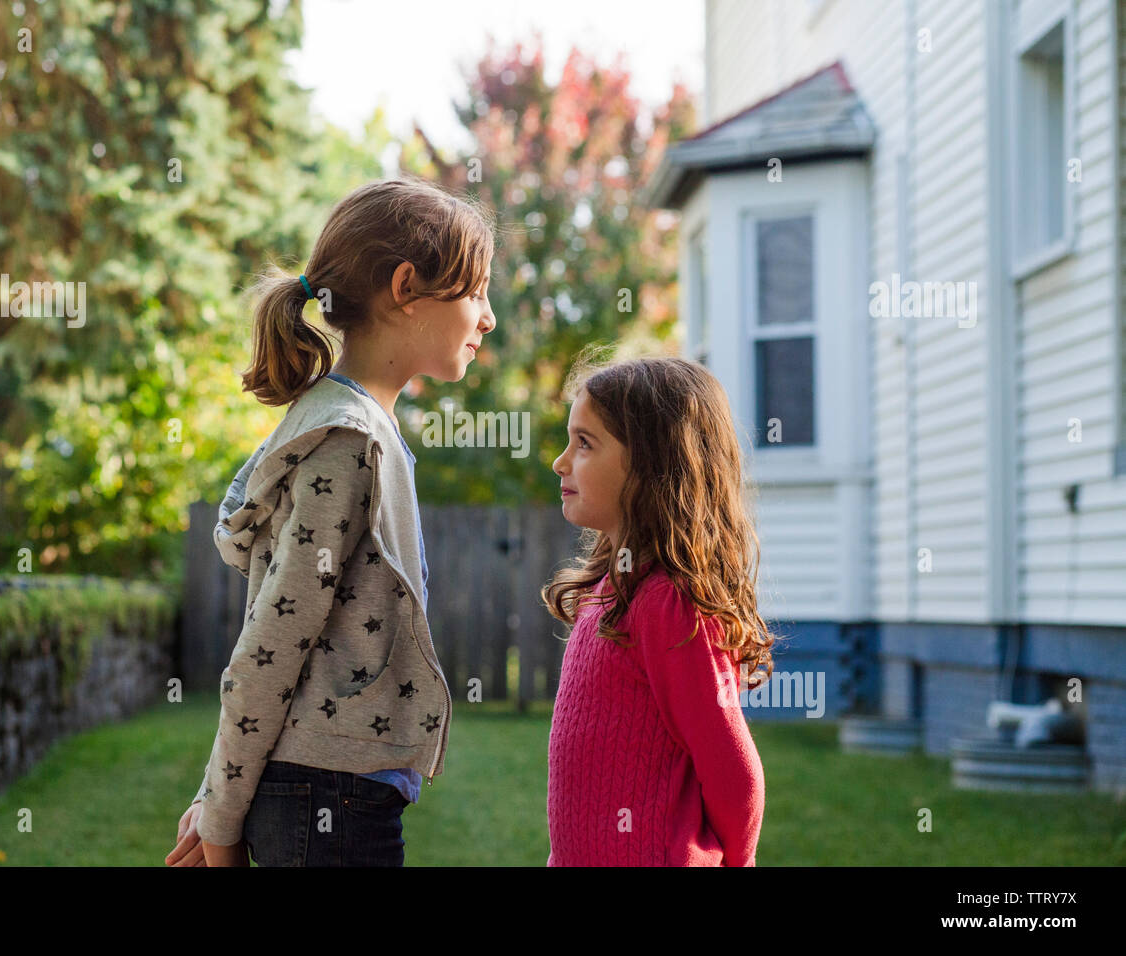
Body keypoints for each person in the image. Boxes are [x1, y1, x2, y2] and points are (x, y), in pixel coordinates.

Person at [165, 177, 496, 867]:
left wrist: (213, 794)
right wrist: (219, 821)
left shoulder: (355, 430)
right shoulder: (349, 443)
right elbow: (273, 640)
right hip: (327, 804)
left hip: (334, 795)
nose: (488, 318)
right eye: (477, 291)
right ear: (407, 287)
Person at [542, 352, 774, 866]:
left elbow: (733, 769)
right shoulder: (608, 589)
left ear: (652, 466)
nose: (561, 462)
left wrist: (739, 861)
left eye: (584, 443)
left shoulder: (667, 606)